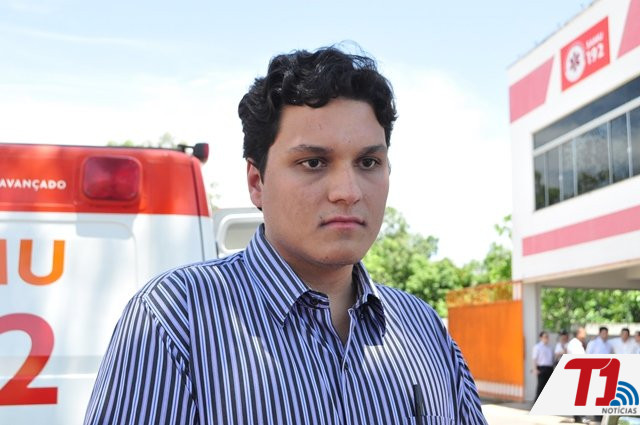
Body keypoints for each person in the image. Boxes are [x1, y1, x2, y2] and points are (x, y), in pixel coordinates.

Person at [84, 46, 487, 424]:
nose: (348, 191)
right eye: (313, 162)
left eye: (368, 162)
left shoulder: (423, 329)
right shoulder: (177, 320)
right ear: (256, 181)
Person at [532, 331, 554, 401]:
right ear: (541, 338)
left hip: (549, 368)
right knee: (541, 386)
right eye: (545, 337)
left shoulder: (550, 347)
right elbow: (534, 358)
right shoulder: (537, 347)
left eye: (547, 337)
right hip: (541, 368)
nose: (546, 338)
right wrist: (535, 369)